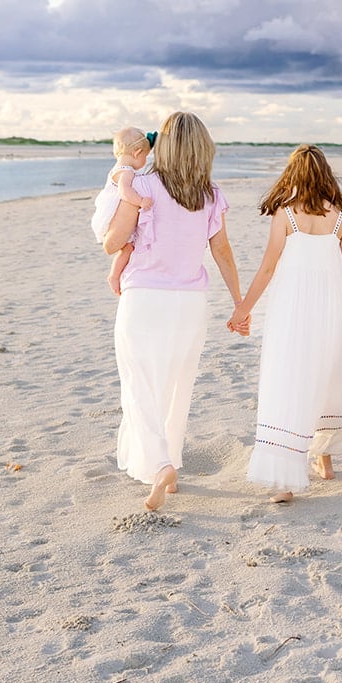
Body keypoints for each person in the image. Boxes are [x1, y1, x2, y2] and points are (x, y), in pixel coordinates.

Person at [100, 111, 242, 511]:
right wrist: (239, 302)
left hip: (145, 299)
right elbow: (222, 251)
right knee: (179, 385)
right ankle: (171, 466)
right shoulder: (209, 194)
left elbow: (113, 242)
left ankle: (160, 465)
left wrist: (116, 223)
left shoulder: (142, 185)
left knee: (140, 385)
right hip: (191, 303)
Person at [227, 145, 342, 504]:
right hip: (327, 312)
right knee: (323, 375)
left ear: (293, 175)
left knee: (289, 382)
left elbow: (267, 268)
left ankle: (286, 481)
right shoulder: (340, 219)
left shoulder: (286, 214)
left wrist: (243, 309)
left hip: (291, 312)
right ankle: (325, 459)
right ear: (325, 174)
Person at [90, 127, 155, 296]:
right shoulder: (126, 172)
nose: (145, 161)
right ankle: (114, 275)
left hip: (106, 215)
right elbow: (125, 192)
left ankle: (114, 275)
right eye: (145, 156)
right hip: (109, 218)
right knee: (127, 248)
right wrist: (140, 201)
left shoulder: (118, 168)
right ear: (137, 153)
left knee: (127, 248)